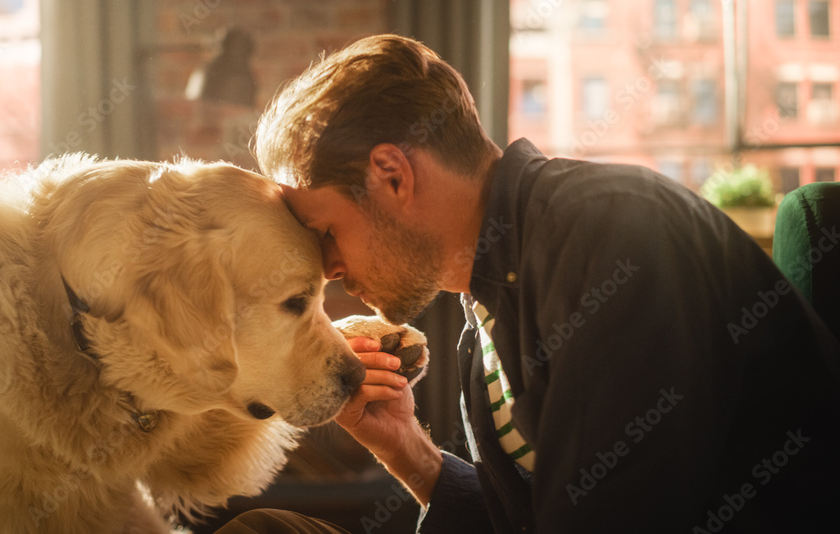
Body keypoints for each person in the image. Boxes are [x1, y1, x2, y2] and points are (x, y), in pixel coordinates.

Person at [225, 34, 840, 533]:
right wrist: (410, 453)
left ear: (391, 175)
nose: (328, 267)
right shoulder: (486, 303)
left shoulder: (612, 235)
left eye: (327, 231)